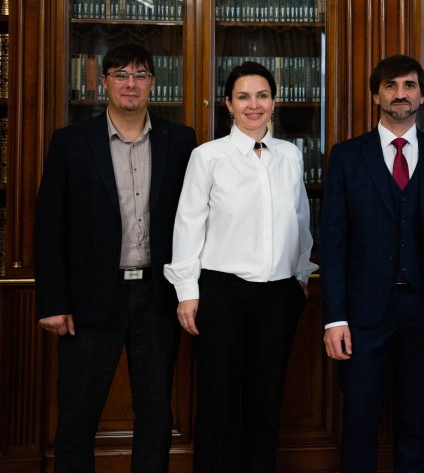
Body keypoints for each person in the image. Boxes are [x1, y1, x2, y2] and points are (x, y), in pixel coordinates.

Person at [34, 43, 197, 472]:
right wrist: (52, 301)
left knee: (156, 414)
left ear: (153, 84)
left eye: (140, 75)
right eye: (121, 74)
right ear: (103, 81)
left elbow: (196, 219)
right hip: (88, 300)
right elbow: (50, 225)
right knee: (77, 416)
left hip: (157, 298)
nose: (130, 83)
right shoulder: (71, 142)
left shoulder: (181, 141)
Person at [164, 61, 317, 473]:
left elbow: (299, 219)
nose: (254, 104)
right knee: (219, 401)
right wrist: (187, 291)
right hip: (222, 294)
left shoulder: (290, 155)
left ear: (274, 102)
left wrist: (300, 274)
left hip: (278, 294)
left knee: (267, 399)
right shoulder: (207, 157)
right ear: (228, 104)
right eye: (244, 96)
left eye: (262, 95)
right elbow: (188, 223)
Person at [320, 55, 424, 472]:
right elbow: (333, 244)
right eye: (390, 86)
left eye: (409, 85)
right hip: (362, 314)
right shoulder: (346, 157)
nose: (400, 94)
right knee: (359, 420)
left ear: (422, 96)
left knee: (415, 422)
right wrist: (334, 317)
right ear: (376, 95)